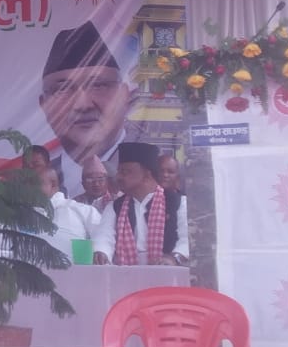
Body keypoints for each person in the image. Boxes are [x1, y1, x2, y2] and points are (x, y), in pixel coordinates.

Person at [39, 21, 132, 196]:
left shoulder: (147, 170)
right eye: (63, 89)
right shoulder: (39, 181)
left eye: (99, 85)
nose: (83, 105)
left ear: (124, 95)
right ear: (44, 105)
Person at [92, 143, 188, 266]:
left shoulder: (178, 203)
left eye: (125, 172)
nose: (119, 176)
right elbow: (104, 236)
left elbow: (187, 239)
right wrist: (101, 252)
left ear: (147, 174)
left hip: (169, 272)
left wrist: (175, 257)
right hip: (126, 272)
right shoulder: (115, 207)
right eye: (119, 171)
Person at [36, 168, 101, 255]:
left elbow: (101, 241)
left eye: (36, 183)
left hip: (76, 263)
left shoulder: (83, 210)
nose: (29, 188)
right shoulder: (23, 215)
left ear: (53, 185)